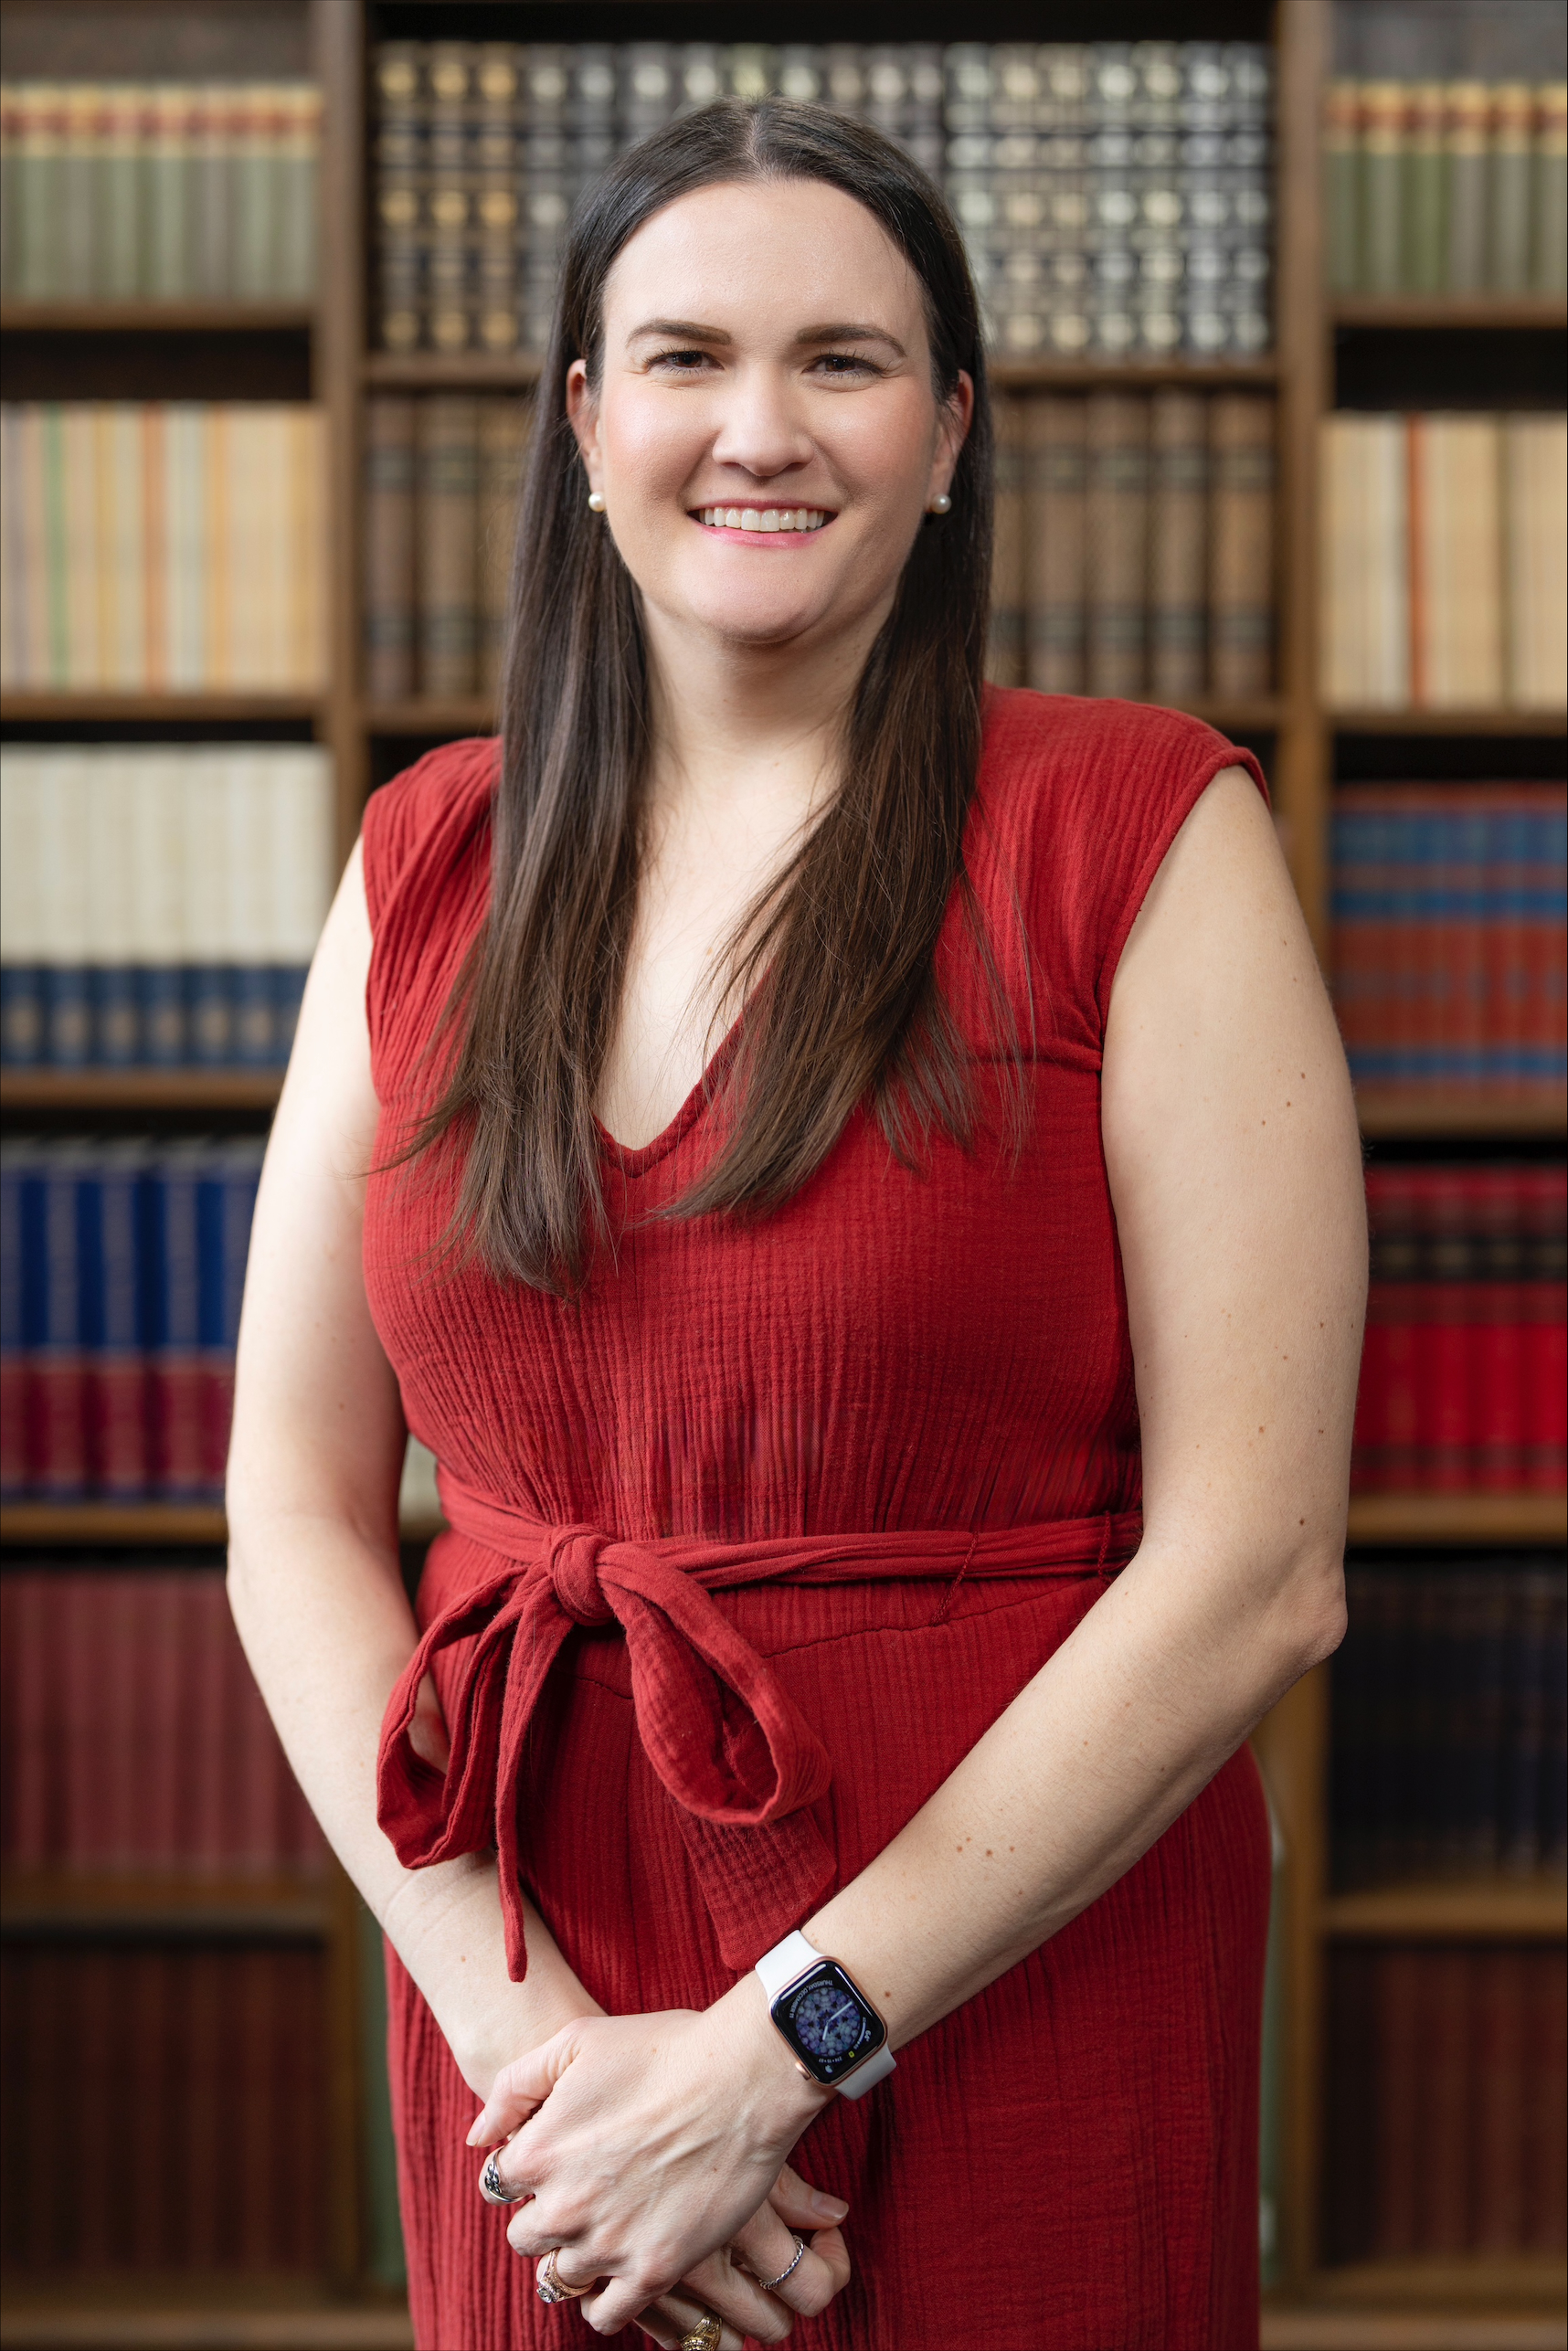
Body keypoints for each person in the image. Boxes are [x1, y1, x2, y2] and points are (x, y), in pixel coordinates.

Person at [228, 100, 1365, 2351]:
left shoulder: (1140, 832)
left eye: (844, 364)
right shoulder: (428, 861)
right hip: (536, 2014)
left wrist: (776, 2054)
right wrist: (525, 2044)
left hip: (1016, 1974)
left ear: (949, 435)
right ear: (584, 422)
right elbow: (288, 1500)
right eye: (685, 359)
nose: (762, 429)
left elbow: (1259, 1572)